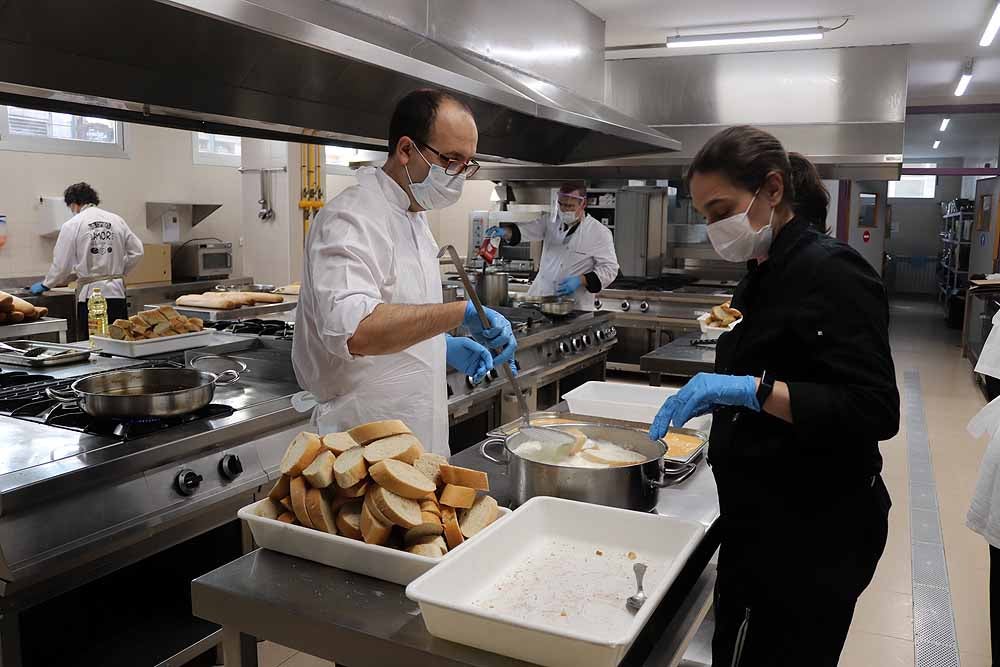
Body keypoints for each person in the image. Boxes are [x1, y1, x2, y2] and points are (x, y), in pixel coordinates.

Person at [648, 126, 899, 666]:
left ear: (773, 189)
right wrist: (727, 398)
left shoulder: (834, 272)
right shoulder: (759, 275)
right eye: (707, 217)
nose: (715, 228)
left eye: (722, 211)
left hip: (816, 531)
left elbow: (874, 407)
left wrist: (751, 391)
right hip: (760, 520)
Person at [292, 89, 517, 455]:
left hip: (417, 443)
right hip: (360, 448)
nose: (459, 175)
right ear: (406, 150)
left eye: (468, 164)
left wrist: (439, 347)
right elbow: (357, 331)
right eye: (451, 160)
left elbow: (398, 308)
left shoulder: (413, 218)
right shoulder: (351, 218)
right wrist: (458, 313)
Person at [31, 182, 143, 339]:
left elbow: (62, 265)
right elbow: (137, 251)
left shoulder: (73, 224)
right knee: (119, 342)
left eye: (71, 208)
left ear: (75, 204)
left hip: (92, 297)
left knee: (94, 344)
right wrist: (117, 272)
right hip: (117, 294)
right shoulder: (117, 220)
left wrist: (46, 284)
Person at [485, 183, 619, 310]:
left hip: (573, 305)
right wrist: (505, 232)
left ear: (583, 204)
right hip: (541, 298)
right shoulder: (550, 221)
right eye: (561, 205)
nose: (564, 210)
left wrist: (581, 280)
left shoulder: (599, 232)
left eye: (570, 206)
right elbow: (525, 231)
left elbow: (610, 269)